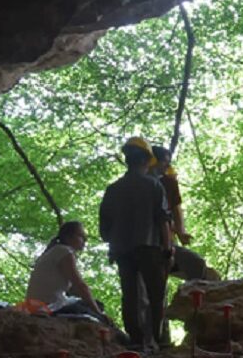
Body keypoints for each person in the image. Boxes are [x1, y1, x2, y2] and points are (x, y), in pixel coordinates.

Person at [99, 137, 173, 351]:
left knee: (130, 295)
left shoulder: (112, 189)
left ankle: (137, 341)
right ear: (146, 161)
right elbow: (163, 220)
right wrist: (167, 249)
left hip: (122, 250)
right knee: (155, 295)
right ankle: (157, 341)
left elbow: (104, 228)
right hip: (149, 248)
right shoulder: (154, 185)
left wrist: (115, 242)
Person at [150, 145, 218, 281]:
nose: (167, 166)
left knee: (197, 265)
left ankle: (196, 297)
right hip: (151, 244)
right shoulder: (144, 185)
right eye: (165, 161)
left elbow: (175, 210)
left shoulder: (168, 182)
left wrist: (180, 231)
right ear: (152, 161)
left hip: (166, 244)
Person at [26, 221, 109, 321]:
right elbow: (80, 286)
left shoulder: (55, 251)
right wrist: (99, 314)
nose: (85, 240)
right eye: (81, 236)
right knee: (95, 311)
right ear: (68, 237)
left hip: (35, 304)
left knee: (96, 304)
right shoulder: (64, 252)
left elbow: (74, 289)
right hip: (48, 306)